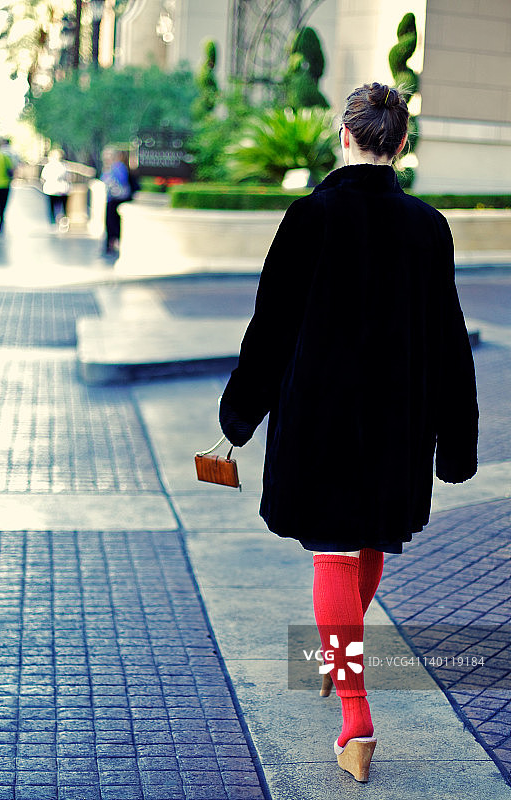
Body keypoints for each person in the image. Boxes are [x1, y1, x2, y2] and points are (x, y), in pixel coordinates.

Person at [218, 82, 478, 783]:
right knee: (367, 540)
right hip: (399, 422)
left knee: (333, 552)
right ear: (400, 145)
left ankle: (355, 714)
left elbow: (271, 326)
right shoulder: (428, 226)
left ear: (346, 137)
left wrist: (240, 413)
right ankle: (343, 654)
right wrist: (456, 440)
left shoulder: (311, 215)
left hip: (323, 421)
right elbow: (450, 341)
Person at [100, 147, 132, 257]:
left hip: (117, 200)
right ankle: (110, 244)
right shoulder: (108, 168)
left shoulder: (118, 167)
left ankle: (114, 243)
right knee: (109, 223)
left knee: (113, 223)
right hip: (111, 199)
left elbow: (121, 181)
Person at [40, 149, 71, 232]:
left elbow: (43, 178)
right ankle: (63, 221)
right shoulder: (64, 166)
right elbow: (68, 178)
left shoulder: (48, 166)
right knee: (63, 207)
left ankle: (53, 222)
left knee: (52, 206)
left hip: (51, 189)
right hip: (62, 189)